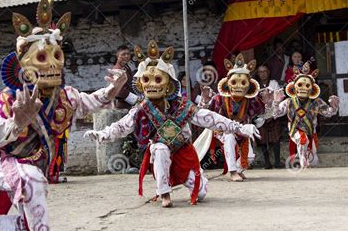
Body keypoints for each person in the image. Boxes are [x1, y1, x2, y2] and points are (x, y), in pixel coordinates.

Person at [0, 0, 127, 231]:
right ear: (23, 64)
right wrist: (17, 121)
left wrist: (113, 90)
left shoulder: (66, 95)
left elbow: (91, 101)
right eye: (42, 57)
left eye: (56, 55)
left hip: (30, 164)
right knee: (32, 180)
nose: (52, 64)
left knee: (31, 221)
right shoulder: (9, 98)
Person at [85, 41, 259, 207]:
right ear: (140, 84)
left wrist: (240, 127)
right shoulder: (143, 107)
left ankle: (194, 180)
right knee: (159, 148)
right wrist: (103, 134)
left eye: (158, 80)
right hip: (162, 152)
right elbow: (123, 125)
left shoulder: (181, 105)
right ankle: (164, 193)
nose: (152, 85)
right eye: (147, 80)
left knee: (201, 193)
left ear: (168, 84)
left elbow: (210, 118)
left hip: (183, 153)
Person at [197, 54, 266, 182]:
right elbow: (206, 113)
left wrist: (267, 101)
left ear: (249, 85)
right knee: (229, 138)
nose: (238, 86)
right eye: (234, 82)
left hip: (241, 130)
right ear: (227, 84)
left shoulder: (251, 99)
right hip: (224, 130)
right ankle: (233, 171)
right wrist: (205, 101)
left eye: (243, 83)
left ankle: (239, 170)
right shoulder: (219, 98)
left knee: (250, 157)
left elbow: (261, 112)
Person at [269, 61, 339, 168]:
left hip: (311, 132)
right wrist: (276, 102)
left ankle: (305, 164)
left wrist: (334, 107)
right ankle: (303, 164)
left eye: (307, 85)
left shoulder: (316, 102)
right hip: (295, 131)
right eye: (300, 85)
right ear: (294, 87)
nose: (303, 88)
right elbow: (275, 113)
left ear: (312, 88)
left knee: (313, 159)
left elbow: (328, 113)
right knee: (302, 140)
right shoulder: (289, 102)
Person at [255, 65, 284, 169]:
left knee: (275, 138)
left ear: (268, 72)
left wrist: (272, 113)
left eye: (265, 71)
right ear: (258, 74)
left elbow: (279, 97)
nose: (263, 73)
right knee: (262, 139)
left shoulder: (274, 83)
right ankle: (266, 162)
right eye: (260, 72)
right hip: (260, 115)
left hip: (273, 113)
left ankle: (277, 162)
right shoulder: (255, 85)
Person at [113, 45, 138, 109]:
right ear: (118, 56)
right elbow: (119, 91)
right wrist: (135, 100)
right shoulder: (117, 70)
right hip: (124, 105)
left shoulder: (126, 67)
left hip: (131, 104)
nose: (126, 56)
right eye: (123, 54)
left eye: (128, 54)